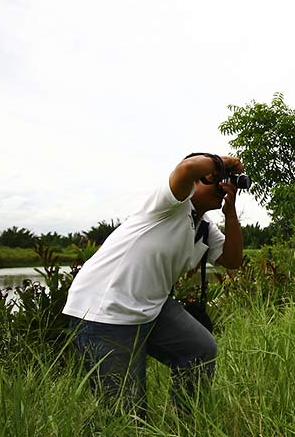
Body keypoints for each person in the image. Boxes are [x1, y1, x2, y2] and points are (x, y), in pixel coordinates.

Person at [63, 152, 245, 416]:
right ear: (194, 182)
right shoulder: (169, 204)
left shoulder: (203, 225)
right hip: (106, 312)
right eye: (213, 180)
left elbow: (233, 260)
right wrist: (224, 163)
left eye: (224, 180)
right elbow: (188, 167)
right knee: (126, 415)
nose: (221, 185)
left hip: (152, 307)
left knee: (200, 351)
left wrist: (230, 214)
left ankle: (184, 421)